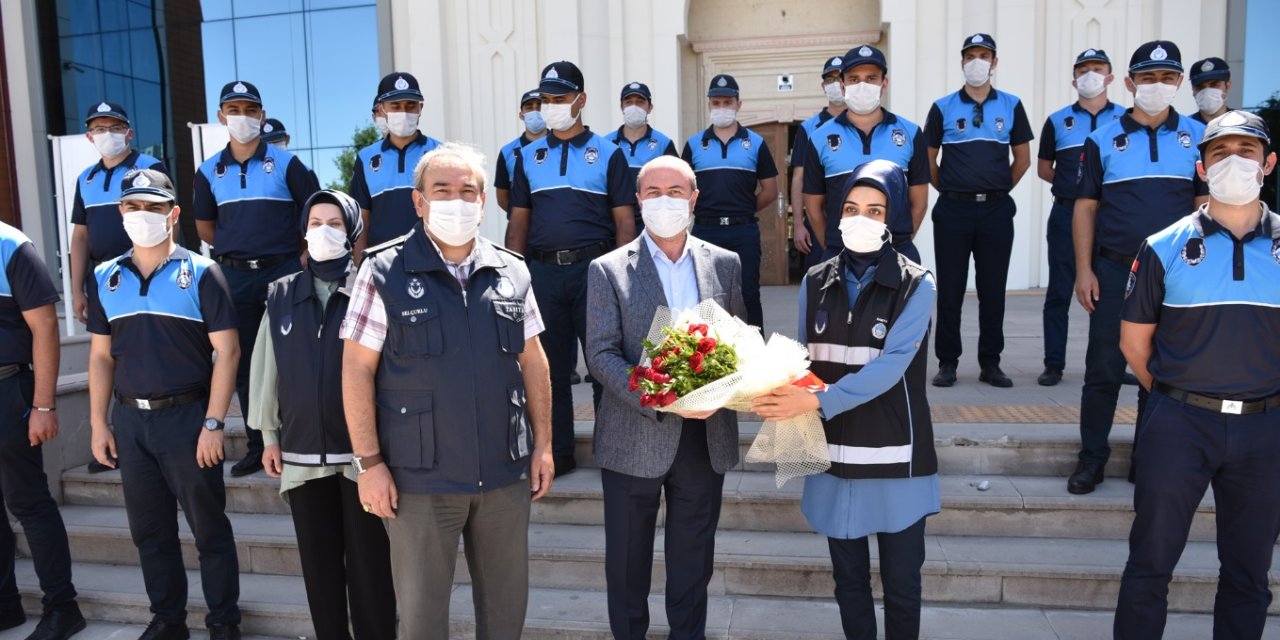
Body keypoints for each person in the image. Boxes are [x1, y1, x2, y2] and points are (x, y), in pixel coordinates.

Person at [342, 143, 553, 640]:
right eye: (443, 190)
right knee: (421, 622)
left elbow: (534, 361)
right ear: (419, 202)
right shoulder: (380, 272)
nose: (456, 200)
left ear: (483, 202)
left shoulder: (512, 271)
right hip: (420, 482)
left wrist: (543, 444)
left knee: (505, 618)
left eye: (468, 191)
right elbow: (355, 369)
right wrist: (368, 464)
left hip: (502, 475)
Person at [754, 159, 938, 640]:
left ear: (893, 219)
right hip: (833, 456)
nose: (861, 218)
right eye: (852, 207)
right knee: (849, 582)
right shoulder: (815, 281)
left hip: (896, 459)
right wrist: (769, 388)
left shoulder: (918, 284)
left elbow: (892, 365)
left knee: (902, 586)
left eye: (876, 210)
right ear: (836, 213)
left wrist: (814, 403)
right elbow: (802, 363)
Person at [1115, 110, 1279, 638]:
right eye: (1220, 153)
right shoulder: (1163, 246)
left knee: (1249, 574)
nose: (1234, 163)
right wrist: (1176, 400)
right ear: (1201, 167)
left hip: (1265, 429)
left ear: (1268, 164)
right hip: (1179, 425)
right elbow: (1134, 344)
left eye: (1247, 153)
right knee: (1149, 567)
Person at [585, 155, 746, 640]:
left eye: (675, 191)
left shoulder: (726, 263)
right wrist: (659, 397)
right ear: (638, 200)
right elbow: (601, 354)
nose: (664, 201)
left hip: (705, 436)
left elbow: (740, 339)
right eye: (652, 192)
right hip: (633, 437)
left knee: (693, 564)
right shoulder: (608, 269)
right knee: (628, 568)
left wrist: (729, 386)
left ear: (694, 199)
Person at [88, 169, 242, 640]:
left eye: (152, 207)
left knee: (208, 529)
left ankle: (223, 623)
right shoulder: (105, 276)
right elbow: (99, 355)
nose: (141, 215)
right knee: (149, 532)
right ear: (121, 212)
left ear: (173, 214)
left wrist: (215, 422)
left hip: (188, 419)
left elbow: (229, 351)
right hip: (131, 422)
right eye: (132, 206)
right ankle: (168, 620)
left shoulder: (200, 272)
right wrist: (98, 423)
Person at [248, 189, 395, 640]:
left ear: (352, 232)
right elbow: (265, 368)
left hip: (362, 464)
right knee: (320, 574)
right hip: (302, 460)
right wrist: (269, 436)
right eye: (315, 223)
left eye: (334, 223)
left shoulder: (374, 288)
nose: (323, 231)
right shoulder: (280, 294)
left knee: (372, 576)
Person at [1067, 40, 1208, 495]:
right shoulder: (1102, 138)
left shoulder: (1200, 139)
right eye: (1147, 78)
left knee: (1163, 371)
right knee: (1104, 368)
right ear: (1129, 83)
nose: (1157, 86)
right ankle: (1091, 459)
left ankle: (1148, 458)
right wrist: (1083, 270)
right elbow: (1085, 208)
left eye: (1168, 78)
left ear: (1180, 83)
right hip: (1113, 271)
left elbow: (1205, 207)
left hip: (1176, 274)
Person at [506, 60, 637, 476]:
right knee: (550, 370)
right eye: (546, 99)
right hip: (542, 275)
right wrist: (511, 278)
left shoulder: (610, 153)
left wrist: (624, 278)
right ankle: (557, 453)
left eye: (560, 98)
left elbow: (624, 222)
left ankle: (612, 450)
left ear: (581, 100)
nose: (551, 106)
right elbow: (518, 223)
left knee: (604, 366)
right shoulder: (526, 156)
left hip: (594, 272)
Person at [194, 80, 319, 478]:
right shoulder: (207, 170)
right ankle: (255, 445)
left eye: (250, 110)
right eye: (234, 110)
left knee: (295, 357)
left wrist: (299, 253)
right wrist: (238, 251)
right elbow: (206, 227)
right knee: (243, 362)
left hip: (284, 272)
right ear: (221, 117)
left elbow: (315, 209)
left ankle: (301, 438)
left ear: (262, 117)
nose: (242, 118)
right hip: (234, 278)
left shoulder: (288, 164)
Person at [926, 33, 1034, 389]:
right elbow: (929, 160)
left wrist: (997, 189)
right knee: (951, 289)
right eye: (970, 56)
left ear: (994, 62)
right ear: (962, 62)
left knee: (993, 290)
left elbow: (1022, 159)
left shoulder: (1012, 105)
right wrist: (953, 189)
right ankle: (947, 362)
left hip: (996, 211)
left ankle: (991, 363)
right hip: (953, 210)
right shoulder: (942, 107)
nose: (977, 62)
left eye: (983, 55)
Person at [0, 222, 86, 639]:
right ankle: (5, 606)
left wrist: (43, 404)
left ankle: (62, 607)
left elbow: (46, 327)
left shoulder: (11, 245)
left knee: (28, 501)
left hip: (9, 389)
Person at [1034, 49, 1126, 387]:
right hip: (1066, 212)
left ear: (1110, 77)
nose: (1090, 75)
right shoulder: (1058, 120)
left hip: (1110, 216)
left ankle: (1108, 364)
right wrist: (1076, 188)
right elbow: (1045, 168)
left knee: (1111, 291)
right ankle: (1053, 364)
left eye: (1097, 68)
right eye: (1083, 69)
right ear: (1074, 79)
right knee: (1059, 290)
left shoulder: (1125, 119)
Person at [803, 45, 929, 263]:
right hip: (840, 254)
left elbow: (919, 203)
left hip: (896, 252)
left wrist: (897, 241)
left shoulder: (910, 133)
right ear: (842, 86)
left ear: (884, 83)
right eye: (854, 79)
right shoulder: (819, 138)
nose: (863, 86)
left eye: (871, 78)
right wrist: (834, 246)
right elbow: (814, 207)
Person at [681, 73, 780, 329]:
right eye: (716, 103)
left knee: (747, 293)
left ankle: (756, 357)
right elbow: (682, 191)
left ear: (738, 104)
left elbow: (770, 190)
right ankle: (707, 359)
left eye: (727, 102)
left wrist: (743, 210)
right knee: (706, 298)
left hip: (743, 231)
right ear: (709, 105)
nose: (722, 108)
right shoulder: (693, 145)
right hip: (705, 231)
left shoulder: (756, 144)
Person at [69, 102, 168, 326]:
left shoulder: (150, 167)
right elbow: (80, 237)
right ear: (89, 136)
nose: (108, 134)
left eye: (115, 127)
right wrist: (77, 291)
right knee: (105, 349)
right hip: (101, 276)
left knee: (148, 343)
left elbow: (169, 222)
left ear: (129, 134)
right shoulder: (86, 179)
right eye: (100, 129)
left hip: (145, 273)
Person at [351, 72, 443, 254]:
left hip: (432, 257)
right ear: (382, 108)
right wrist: (361, 262)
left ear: (420, 108)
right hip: (382, 261)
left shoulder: (441, 152)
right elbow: (361, 218)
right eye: (395, 106)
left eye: (410, 105)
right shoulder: (366, 158)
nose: (404, 112)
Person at [791, 55, 848, 272]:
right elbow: (799, 178)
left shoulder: (865, 122)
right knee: (821, 293)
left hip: (858, 219)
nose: (836, 83)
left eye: (840, 77)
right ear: (823, 85)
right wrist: (798, 224)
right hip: (819, 221)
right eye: (830, 79)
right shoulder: (809, 128)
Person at [607, 81, 679, 230]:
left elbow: (675, 187)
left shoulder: (663, 144)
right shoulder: (606, 143)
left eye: (640, 102)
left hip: (652, 225)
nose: (634, 107)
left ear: (650, 107)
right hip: (614, 224)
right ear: (621, 106)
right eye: (629, 102)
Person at [494, 89, 544, 213]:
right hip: (523, 228)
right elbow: (502, 197)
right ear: (521, 114)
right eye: (529, 107)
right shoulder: (507, 152)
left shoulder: (561, 146)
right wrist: (520, 217)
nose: (535, 111)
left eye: (539, 106)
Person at [1190, 57, 1231, 125]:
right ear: (1193, 90)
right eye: (1200, 87)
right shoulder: (1185, 127)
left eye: (1214, 85)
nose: (1207, 91)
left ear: (1228, 86)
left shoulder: (1243, 123)